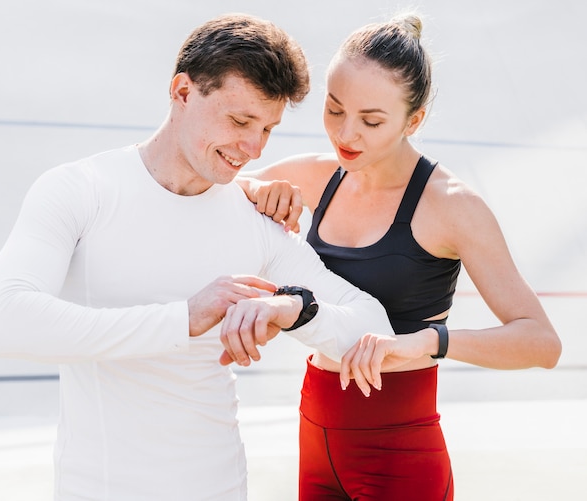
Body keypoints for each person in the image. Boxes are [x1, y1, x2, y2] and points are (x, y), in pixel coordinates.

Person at [0, 14, 393, 501]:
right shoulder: (79, 190)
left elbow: (374, 326)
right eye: (240, 121)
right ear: (182, 92)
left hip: (220, 487)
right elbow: (4, 322)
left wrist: (295, 309)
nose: (253, 148)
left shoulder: (256, 219)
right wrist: (183, 319)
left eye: (267, 129)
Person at [238, 13, 562, 500]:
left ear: (414, 120)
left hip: (399, 455)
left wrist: (426, 342)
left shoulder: (453, 206)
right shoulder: (316, 175)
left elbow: (541, 343)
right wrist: (260, 188)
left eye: (371, 121)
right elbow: (215, 193)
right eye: (333, 109)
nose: (347, 134)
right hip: (315, 437)